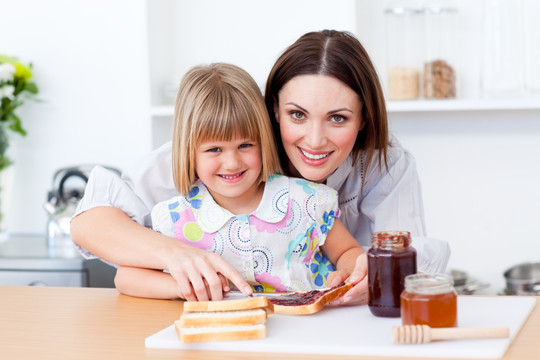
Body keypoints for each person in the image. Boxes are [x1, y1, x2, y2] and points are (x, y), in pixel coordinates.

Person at [71, 29, 449, 305]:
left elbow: (411, 258)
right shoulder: (215, 150)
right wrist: (176, 258)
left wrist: (368, 268)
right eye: (297, 115)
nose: (315, 140)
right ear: (272, 111)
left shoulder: (381, 167)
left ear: (365, 118)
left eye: (338, 118)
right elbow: (91, 223)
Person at [114, 63, 366, 300]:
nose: (232, 162)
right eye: (214, 149)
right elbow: (125, 278)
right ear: (188, 151)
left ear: (263, 141)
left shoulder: (307, 200)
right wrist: (183, 287)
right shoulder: (176, 218)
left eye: (245, 145)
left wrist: (348, 272)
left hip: (302, 332)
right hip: (216, 336)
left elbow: (347, 252)